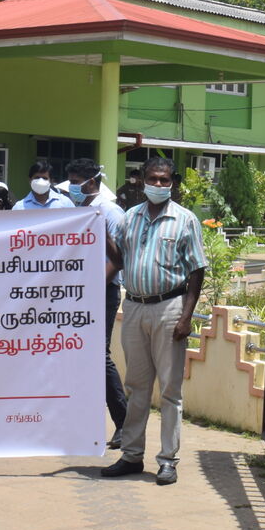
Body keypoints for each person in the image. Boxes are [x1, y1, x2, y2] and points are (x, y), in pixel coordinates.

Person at [101, 156, 206, 486]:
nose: (159, 184)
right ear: (143, 180)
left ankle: (168, 460)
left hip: (169, 307)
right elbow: (120, 259)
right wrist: (100, 233)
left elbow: (197, 270)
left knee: (170, 390)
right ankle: (132, 455)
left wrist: (186, 317)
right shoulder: (130, 217)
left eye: (164, 180)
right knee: (136, 387)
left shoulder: (185, 220)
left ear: (172, 182)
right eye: (153, 179)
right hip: (134, 307)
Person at [66, 158, 128, 450]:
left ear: (91, 182)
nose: (72, 188)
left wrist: (94, 285)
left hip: (102, 292)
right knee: (80, 355)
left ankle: (124, 423)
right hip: (80, 292)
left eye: (75, 182)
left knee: (98, 355)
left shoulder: (110, 212)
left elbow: (118, 259)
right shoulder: (80, 209)